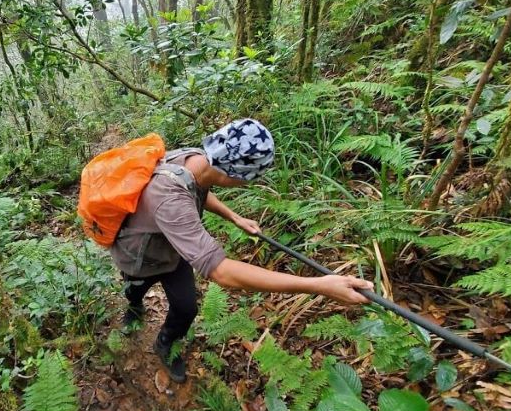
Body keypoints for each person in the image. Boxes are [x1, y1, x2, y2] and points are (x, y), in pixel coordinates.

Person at [110, 118, 374, 383]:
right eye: (246, 181)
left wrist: (234, 217)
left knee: (187, 307)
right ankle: (134, 307)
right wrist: (318, 285)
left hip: (173, 249)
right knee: (136, 289)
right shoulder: (169, 197)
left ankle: (165, 343)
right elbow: (221, 272)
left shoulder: (200, 160)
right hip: (140, 256)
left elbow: (197, 189)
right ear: (231, 174)